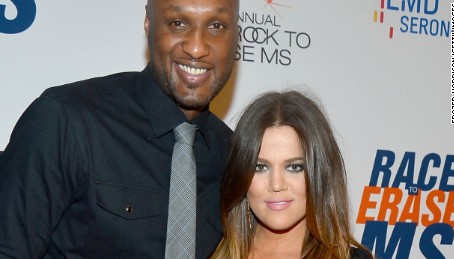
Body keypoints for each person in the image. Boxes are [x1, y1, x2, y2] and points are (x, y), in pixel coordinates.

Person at [0, 0, 239, 258]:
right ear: (148, 25)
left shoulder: (235, 158)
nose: (196, 47)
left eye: (216, 25)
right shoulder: (66, 119)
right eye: (177, 23)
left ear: (235, 36)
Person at [211, 91, 373, 259]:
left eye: (294, 167)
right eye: (260, 167)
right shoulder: (206, 251)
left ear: (320, 175)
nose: (276, 184)